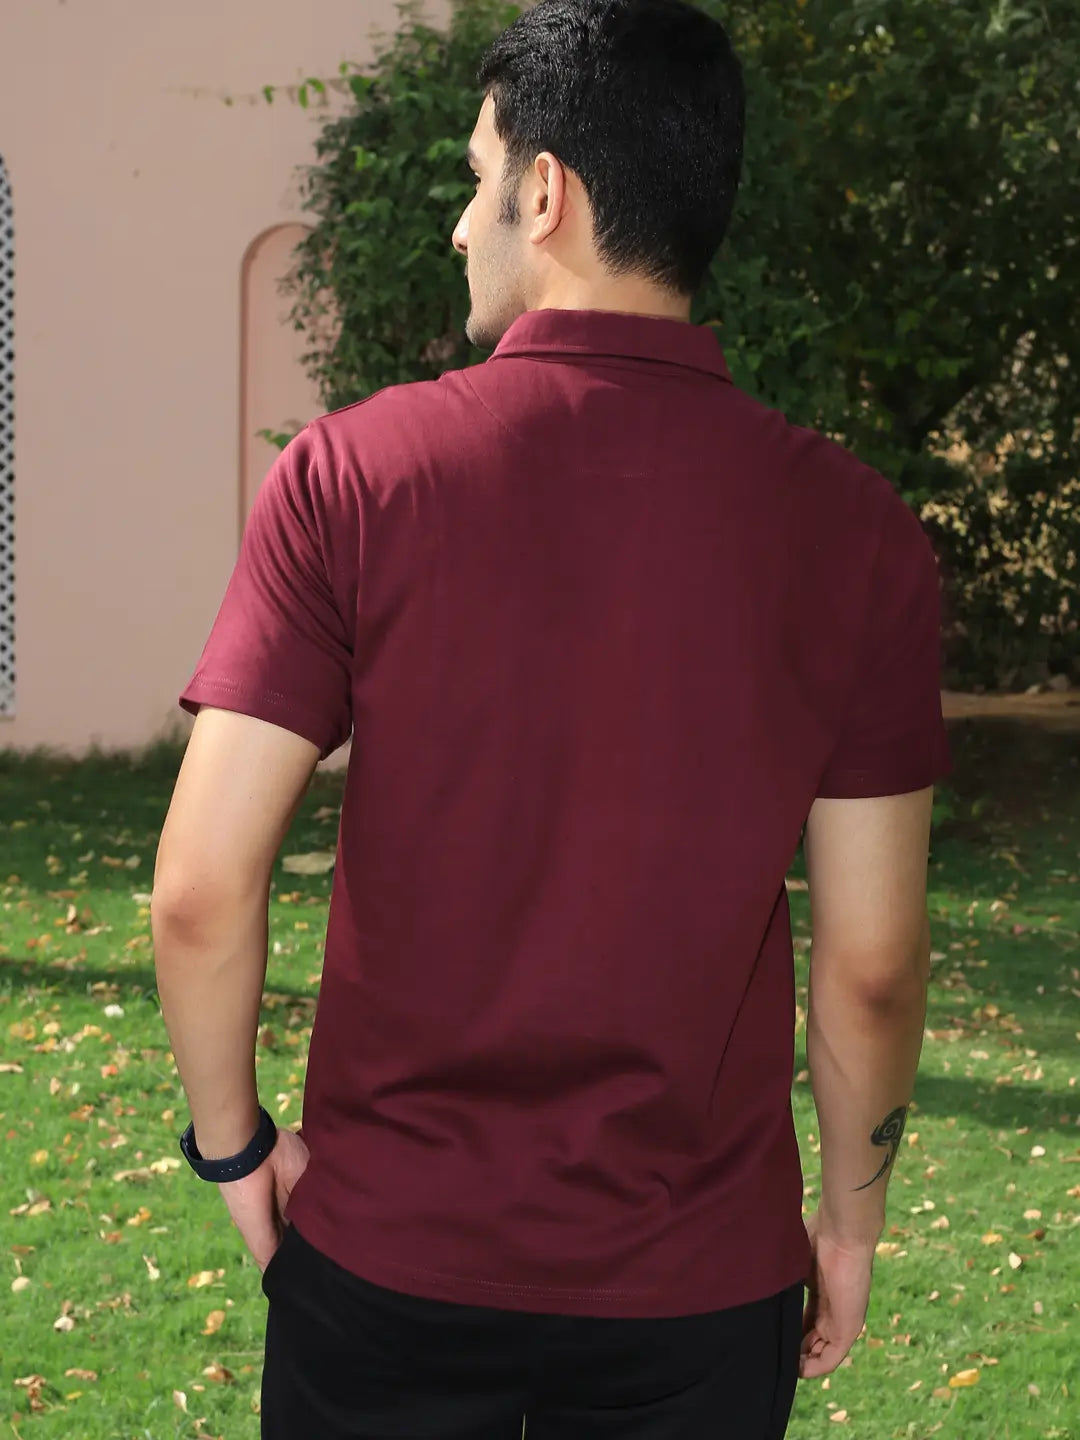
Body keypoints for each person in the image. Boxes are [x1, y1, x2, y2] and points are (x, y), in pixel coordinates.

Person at [151, 0, 951, 1435]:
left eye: (474, 178)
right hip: (701, 1289)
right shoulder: (860, 535)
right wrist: (848, 1220)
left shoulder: (351, 477)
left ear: (545, 190)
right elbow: (875, 967)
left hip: (387, 1260)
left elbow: (202, 891)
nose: (461, 224)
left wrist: (235, 1154)